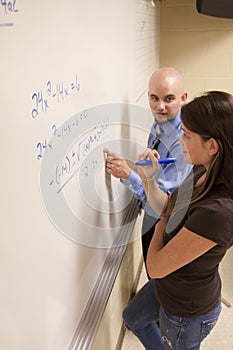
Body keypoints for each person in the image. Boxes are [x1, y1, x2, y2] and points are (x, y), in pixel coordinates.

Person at [122, 91, 233, 350]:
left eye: (187, 136)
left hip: (186, 309)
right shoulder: (201, 169)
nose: (180, 141)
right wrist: (149, 178)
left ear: (212, 146)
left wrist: (164, 217)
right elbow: (167, 206)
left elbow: (157, 266)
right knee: (133, 319)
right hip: (169, 287)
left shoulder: (219, 212)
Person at [104, 67, 192, 274]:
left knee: (159, 277)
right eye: (154, 98)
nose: (160, 106)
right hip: (153, 214)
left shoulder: (184, 142)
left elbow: (163, 205)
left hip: (167, 223)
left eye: (169, 99)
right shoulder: (161, 123)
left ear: (183, 98)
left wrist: (129, 175)